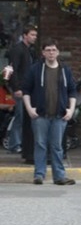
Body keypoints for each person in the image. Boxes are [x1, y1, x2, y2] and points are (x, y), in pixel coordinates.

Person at [21, 38, 76, 185]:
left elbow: (72, 91)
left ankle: (59, 176)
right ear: (43, 53)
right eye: (48, 50)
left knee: (57, 146)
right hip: (40, 115)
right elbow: (25, 90)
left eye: (53, 50)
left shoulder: (65, 70)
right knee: (40, 144)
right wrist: (29, 108)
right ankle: (39, 175)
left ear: (58, 52)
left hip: (59, 115)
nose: (51, 53)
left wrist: (70, 109)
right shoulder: (35, 69)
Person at [7, 25, 37, 154]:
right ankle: (14, 143)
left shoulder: (29, 50)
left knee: (24, 117)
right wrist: (16, 88)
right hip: (20, 89)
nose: (34, 37)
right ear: (25, 35)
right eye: (32, 35)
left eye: (35, 35)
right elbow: (12, 70)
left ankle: (22, 142)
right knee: (19, 117)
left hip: (27, 88)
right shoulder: (18, 49)